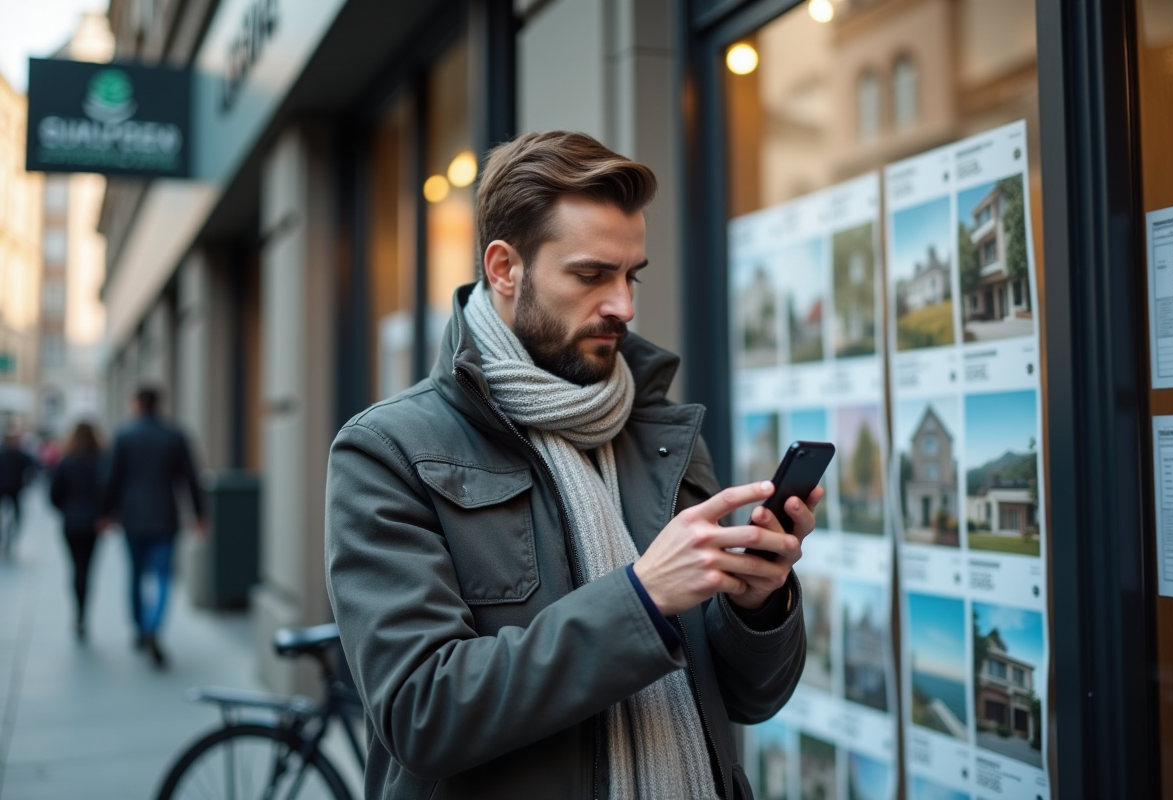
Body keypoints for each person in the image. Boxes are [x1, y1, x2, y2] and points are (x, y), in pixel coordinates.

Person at [325, 131, 823, 799]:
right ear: (505, 268)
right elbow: (420, 716)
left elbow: (748, 699)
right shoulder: (386, 451)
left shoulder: (662, 434)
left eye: (631, 275)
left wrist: (759, 607)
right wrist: (641, 600)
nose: (624, 305)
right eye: (592, 275)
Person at [102, 387, 205, 667]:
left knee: (135, 574)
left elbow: (112, 478)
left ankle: (140, 629)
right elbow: (190, 477)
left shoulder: (124, 435)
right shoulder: (174, 435)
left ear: (137, 404)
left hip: (132, 517)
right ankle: (153, 627)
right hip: (164, 516)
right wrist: (199, 514)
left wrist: (105, 513)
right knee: (162, 576)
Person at [50, 422, 106, 640]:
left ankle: (78, 612)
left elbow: (54, 496)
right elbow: (106, 491)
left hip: (72, 523)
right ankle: (83, 612)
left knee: (76, 568)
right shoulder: (100, 462)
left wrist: (67, 510)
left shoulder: (66, 462)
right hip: (92, 524)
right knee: (87, 569)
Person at [0, 430, 36, 559]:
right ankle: (7, 536)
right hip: (5, 488)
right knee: (13, 514)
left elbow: (32, 468)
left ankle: (11, 536)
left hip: (14, 489)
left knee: (16, 515)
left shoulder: (20, 455)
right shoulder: (7, 453)